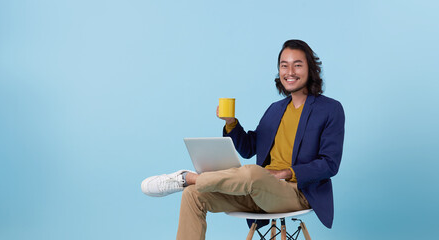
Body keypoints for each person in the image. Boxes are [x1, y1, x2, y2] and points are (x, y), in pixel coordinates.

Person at [141, 39, 345, 240]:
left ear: (311, 69)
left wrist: (285, 172)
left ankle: (187, 178)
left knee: (253, 173)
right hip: (257, 190)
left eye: (297, 65)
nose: (289, 72)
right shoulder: (275, 110)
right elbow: (249, 148)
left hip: (297, 193)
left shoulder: (330, 109)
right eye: (284, 66)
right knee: (193, 195)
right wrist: (230, 122)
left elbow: (329, 164)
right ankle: (190, 184)